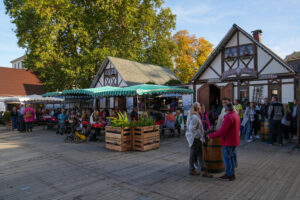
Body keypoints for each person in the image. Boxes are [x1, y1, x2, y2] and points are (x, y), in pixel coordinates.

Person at [208, 103, 240, 181]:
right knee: (231, 158)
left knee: (228, 159)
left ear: (226, 109)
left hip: (228, 141)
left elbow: (222, 131)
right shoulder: (236, 116)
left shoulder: (229, 117)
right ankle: (231, 174)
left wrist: (211, 135)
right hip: (233, 140)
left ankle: (229, 174)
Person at [186, 102, 212, 177]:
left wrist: (203, 133)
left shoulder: (194, 115)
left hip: (196, 138)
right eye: (200, 108)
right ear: (198, 108)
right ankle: (191, 169)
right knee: (193, 154)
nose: (201, 109)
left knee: (199, 154)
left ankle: (203, 170)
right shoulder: (194, 117)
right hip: (195, 138)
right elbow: (192, 129)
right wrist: (199, 135)